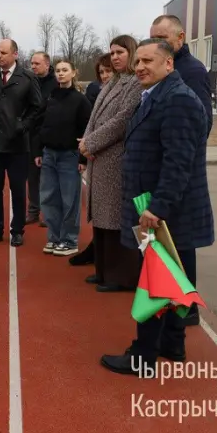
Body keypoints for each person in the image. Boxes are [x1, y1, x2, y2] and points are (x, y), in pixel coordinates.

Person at [100, 38, 214, 376]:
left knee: (155, 283)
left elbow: (178, 162)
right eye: (138, 62)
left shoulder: (177, 100)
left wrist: (158, 208)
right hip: (150, 205)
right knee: (170, 282)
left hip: (161, 212)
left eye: (148, 61)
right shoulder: (156, 95)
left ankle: (144, 356)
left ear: (169, 64)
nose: (140, 67)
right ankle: (172, 344)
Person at [150, 14, 214, 325]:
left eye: (162, 38)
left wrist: (180, 154)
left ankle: (186, 308)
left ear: (180, 38)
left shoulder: (191, 71)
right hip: (164, 167)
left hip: (181, 170)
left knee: (182, 242)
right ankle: (176, 303)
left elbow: (202, 121)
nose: (158, 43)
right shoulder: (162, 69)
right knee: (168, 242)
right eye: (153, 37)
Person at [78, 35, 143, 292]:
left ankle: (121, 276)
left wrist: (91, 143)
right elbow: (95, 117)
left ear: (132, 53)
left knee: (115, 217)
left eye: (120, 52)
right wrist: (86, 142)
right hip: (99, 158)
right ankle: (103, 270)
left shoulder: (135, 83)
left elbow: (121, 120)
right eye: (112, 52)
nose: (115, 57)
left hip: (115, 158)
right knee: (102, 217)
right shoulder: (113, 81)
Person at [0, 39, 42, 247]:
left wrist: (23, 125)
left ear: (15, 54)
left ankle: (17, 230)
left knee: (18, 189)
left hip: (18, 146)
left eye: (3, 52)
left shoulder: (27, 78)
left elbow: (37, 107)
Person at [33, 59, 92, 256]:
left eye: (65, 70)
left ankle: (69, 240)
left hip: (69, 156)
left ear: (73, 73)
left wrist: (83, 160)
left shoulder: (80, 101)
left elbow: (86, 130)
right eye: (57, 70)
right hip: (49, 154)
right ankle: (54, 237)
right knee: (48, 198)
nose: (60, 74)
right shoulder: (50, 97)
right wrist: (38, 151)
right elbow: (41, 125)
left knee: (69, 200)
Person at [69, 52, 114, 267]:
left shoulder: (127, 91)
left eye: (108, 71)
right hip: (95, 154)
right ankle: (98, 249)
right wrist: (85, 145)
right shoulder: (98, 91)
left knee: (110, 211)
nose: (104, 76)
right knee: (98, 209)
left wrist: (89, 143)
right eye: (102, 72)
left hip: (110, 156)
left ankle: (108, 258)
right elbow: (92, 121)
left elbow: (116, 123)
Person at [26, 51, 59, 227]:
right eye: (32, 64)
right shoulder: (29, 82)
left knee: (49, 177)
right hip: (31, 135)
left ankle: (48, 212)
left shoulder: (56, 83)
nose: (33, 67)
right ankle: (33, 211)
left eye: (37, 64)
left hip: (49, 135)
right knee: (32, 176)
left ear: (47, 64)